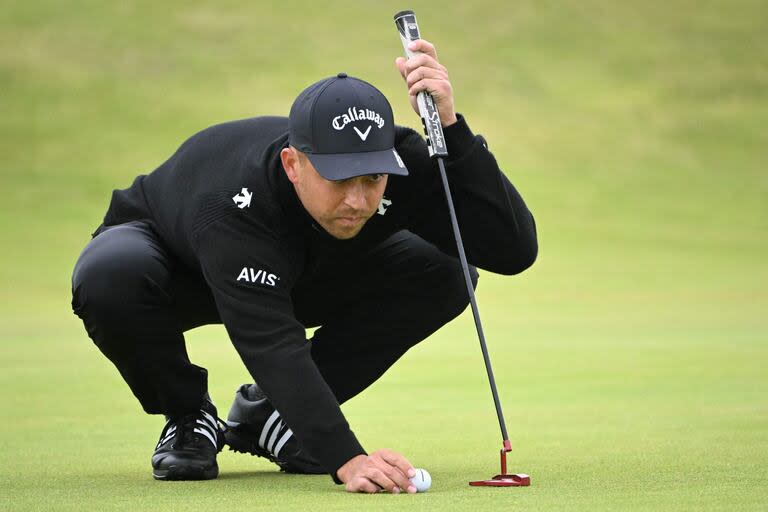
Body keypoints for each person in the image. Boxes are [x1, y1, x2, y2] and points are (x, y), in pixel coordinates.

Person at [70, 39, 538, 493]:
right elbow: (270, 339)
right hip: (176, 268)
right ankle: (189, 415)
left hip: (303, 270)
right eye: (339, 179)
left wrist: (452, 130)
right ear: (293, 164)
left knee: (447, 269)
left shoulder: (401, 165)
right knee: (111, 274)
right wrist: (347, 459)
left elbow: (511, 251)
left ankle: (272, 418)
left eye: (372, 178)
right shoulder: (233, 200)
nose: (358, 200)